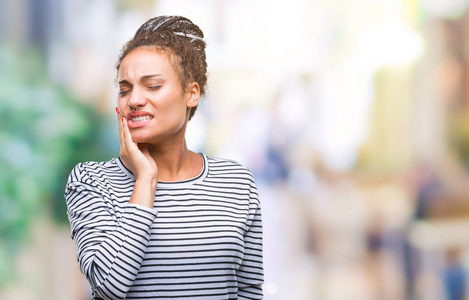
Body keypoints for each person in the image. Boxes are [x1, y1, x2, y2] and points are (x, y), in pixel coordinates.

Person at [65, 16, 264, 300]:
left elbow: (249, 291)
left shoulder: (236, 183)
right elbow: (109, 286)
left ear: (191, 94)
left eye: (152, 86)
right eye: (125, 89)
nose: (134, 99)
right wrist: (145, 180)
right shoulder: (91, 181)